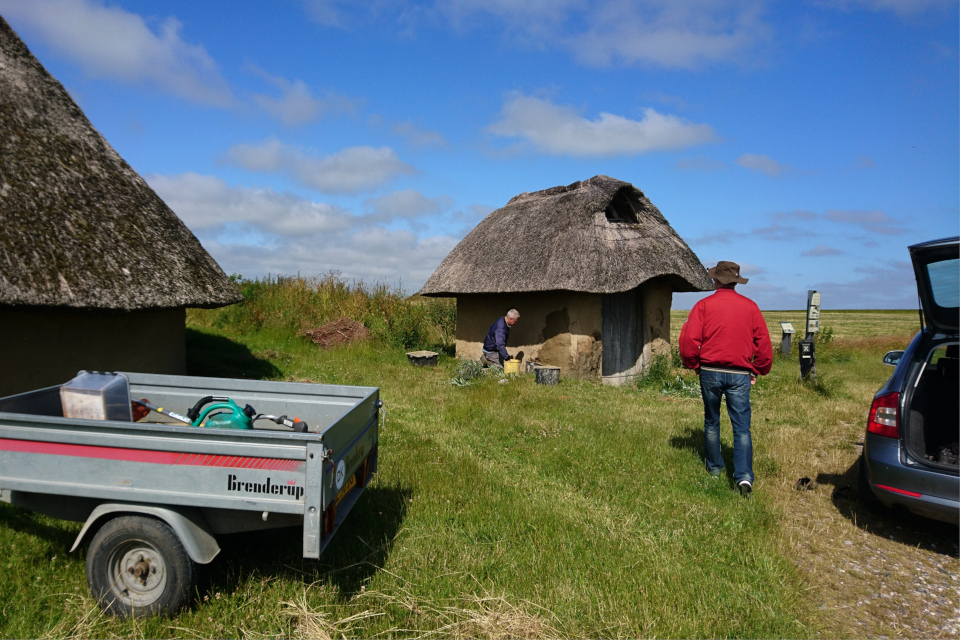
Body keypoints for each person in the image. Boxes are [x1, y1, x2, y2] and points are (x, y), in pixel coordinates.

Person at [679, 261, 772, 498]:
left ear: (716, 280)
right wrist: (758, 369)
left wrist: (694, 364)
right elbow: (763, 343)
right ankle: (743, 477)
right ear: (736, 281)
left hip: (710, 370)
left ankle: (715, 468)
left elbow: (690, 340)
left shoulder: (703, 305)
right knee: (742, 428)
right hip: (740, 374)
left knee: (712, 421)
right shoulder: (751, 307)